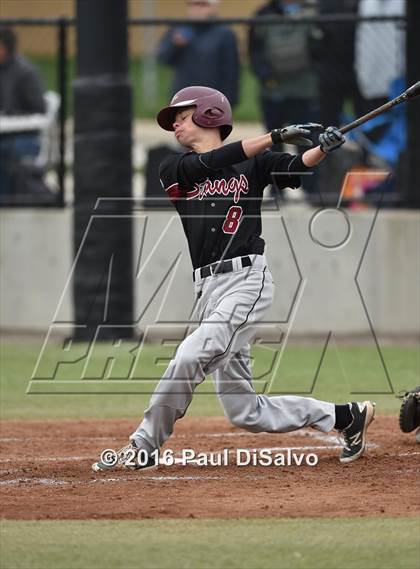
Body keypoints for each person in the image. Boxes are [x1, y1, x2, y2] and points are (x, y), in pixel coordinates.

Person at [92, 86, 375, 473]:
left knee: (191, 354)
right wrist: (273, 137)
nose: (174, 123)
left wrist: (324, 148)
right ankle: (345, 416)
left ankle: (143, 446)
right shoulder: (174, 169)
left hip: (246, 282)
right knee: (246, 412)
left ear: (209, 114)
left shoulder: (254, 164)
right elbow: (212, 162)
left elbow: (297, 169)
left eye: (183, 114)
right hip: (208, 291)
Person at [157, 0, 239, 108]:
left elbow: (231, 70)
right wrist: (175, 45)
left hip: (212, 97)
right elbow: (163, 59)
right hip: (183, 95)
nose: (196, 9)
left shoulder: (224, 34)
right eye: (192, 4)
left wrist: (229, 100)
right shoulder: (179, 30)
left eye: (202, 4)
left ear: (213, 7)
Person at [0, 27, 46, 197]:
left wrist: (10, 115)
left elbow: (39, 110)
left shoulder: (26, 73)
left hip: (23, 137)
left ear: (5, 47)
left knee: (3, 152)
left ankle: (5, 201)